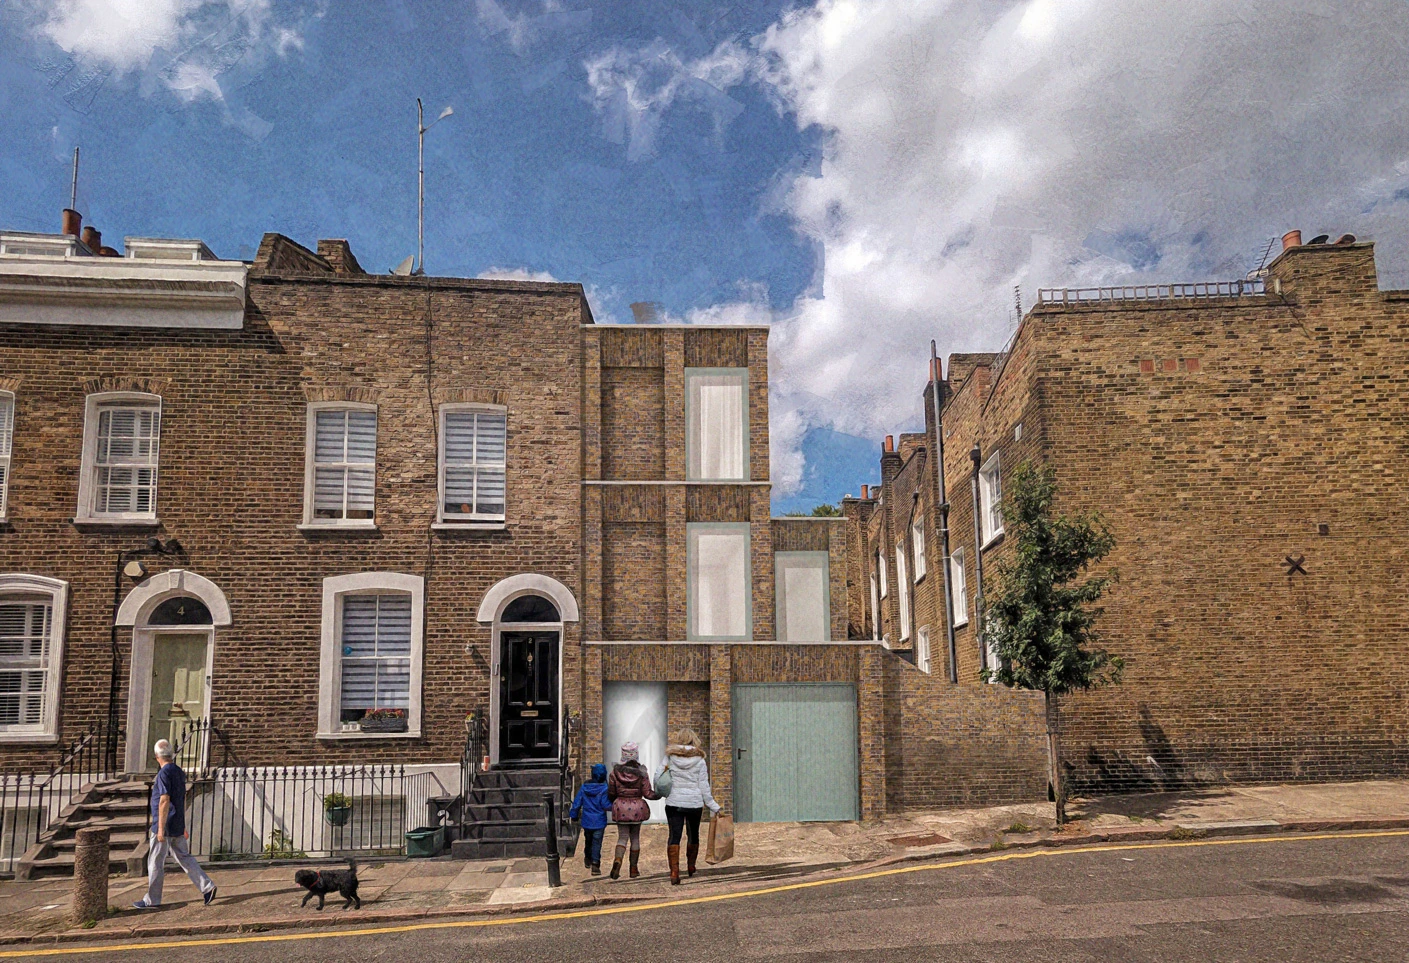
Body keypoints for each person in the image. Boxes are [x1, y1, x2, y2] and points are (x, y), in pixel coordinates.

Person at [133, 739, 216, 909]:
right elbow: (182, 798)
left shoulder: (163, 774)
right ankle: (207, 887)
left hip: (164, 823)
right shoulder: (179, 771)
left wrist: (160, 828)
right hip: (177, 821)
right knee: (184, 857)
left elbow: (164, 800)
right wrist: (182, 825)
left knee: (155, 862)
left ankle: (152, 900)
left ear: (157, 756)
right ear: (171, 754)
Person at [655, 728, 721, 884]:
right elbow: (704, 785)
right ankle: (691, 866)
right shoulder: (699, 760)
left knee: (674, 836)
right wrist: (713, 805)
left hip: (674, 802)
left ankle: (674, 872)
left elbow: (658, 776)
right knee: (693, 834)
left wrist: (661, 790)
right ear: (694, 740)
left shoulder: (670, 757)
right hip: (694, 802)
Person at [606, 741, 655, 879]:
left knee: (622, 838)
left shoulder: (615, 772)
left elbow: (611, 792)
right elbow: (647, 793)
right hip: (637, 809)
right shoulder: (642, 773)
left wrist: (614, 801)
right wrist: (659, 795)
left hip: (620, 806)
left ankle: (618, 860)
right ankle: (633, 869)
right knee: (635, 838)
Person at [569, 763, 610, 875]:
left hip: (587, 820)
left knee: (588, 840)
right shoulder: (605, 788)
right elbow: (606, 805)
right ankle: (595, 864)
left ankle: (587, 858)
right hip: (599, 821)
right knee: (597, 843)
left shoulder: (584, 787)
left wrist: (574, 815)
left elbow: (577, 803)